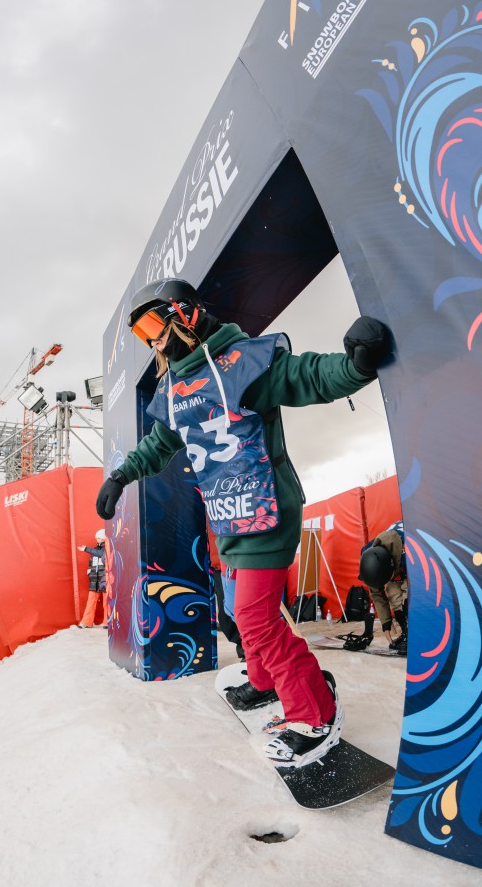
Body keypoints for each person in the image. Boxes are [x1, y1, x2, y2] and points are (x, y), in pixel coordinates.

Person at [96, 278, 390, 768]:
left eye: (152, 325)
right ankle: (265, 679)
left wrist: (355, 365)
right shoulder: (175, 388)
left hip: (264, 506)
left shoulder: (242, 362)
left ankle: (314, 713)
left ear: (185, 313)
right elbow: (160, 443)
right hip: (226, 512)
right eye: (142, 335)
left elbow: (307, 377)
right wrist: (122, 475)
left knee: (255, 616)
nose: (153, 342)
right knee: (239, 609)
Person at [357, 521, 407, 654]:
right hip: (394, 562)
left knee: (409, 594)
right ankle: (406, 632)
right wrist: (386, 622)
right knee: (392, 591)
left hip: (410, 560)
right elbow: (376, 593)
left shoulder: (410, 551)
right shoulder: (368, 555)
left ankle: (415, 630)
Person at [77, 529, 108, 628]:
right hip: (94, 579)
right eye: (97, 538)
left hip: (104, 579)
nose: (97, 539)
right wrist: (90, 572)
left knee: (106, 602)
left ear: (103, 538)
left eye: (99, 537)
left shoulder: (107, 548)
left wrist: (86, 549)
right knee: (91, 601)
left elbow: (101, 554)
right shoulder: (94, 550)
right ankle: (87, 622)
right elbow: (91, 562)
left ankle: (107, 622)